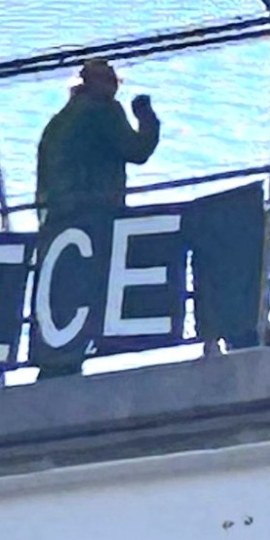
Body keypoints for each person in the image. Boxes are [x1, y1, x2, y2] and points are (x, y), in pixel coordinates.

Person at [32, 59, 161, 376]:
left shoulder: (58, 122)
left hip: (58, 220)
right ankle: (75, 356)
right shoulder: (103, 110)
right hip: (94, 214)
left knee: (67, 292)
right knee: (96, 285)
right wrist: (147, 117)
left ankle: (59, 364)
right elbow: (137, 150)